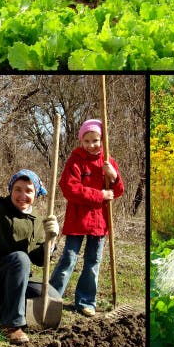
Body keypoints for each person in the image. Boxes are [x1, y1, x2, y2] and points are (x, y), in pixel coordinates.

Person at [0, 169, 61, 345]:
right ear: (11, 189)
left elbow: (40, 260)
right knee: (20, 258)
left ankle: (3, 309)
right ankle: (10, 324)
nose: (22, 195)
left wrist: (52, 240)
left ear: (36, 194)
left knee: (51, 294)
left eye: (28, 190)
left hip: (18, 278)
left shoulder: (37, 220)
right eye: (18, 189)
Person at [49, 119, 124, 317]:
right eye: (87, 140)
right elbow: (70, 189)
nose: (92, 145)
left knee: (93, 262)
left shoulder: (108, 161)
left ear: (103, 140)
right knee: (69, 259)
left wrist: (114, 176)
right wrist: (100, 195)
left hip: (100, 223)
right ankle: (51, 297)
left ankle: (85, 301)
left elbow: (119, 191)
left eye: (96, 140)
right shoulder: (75, 160)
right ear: (81, 141)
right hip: (77, 220)